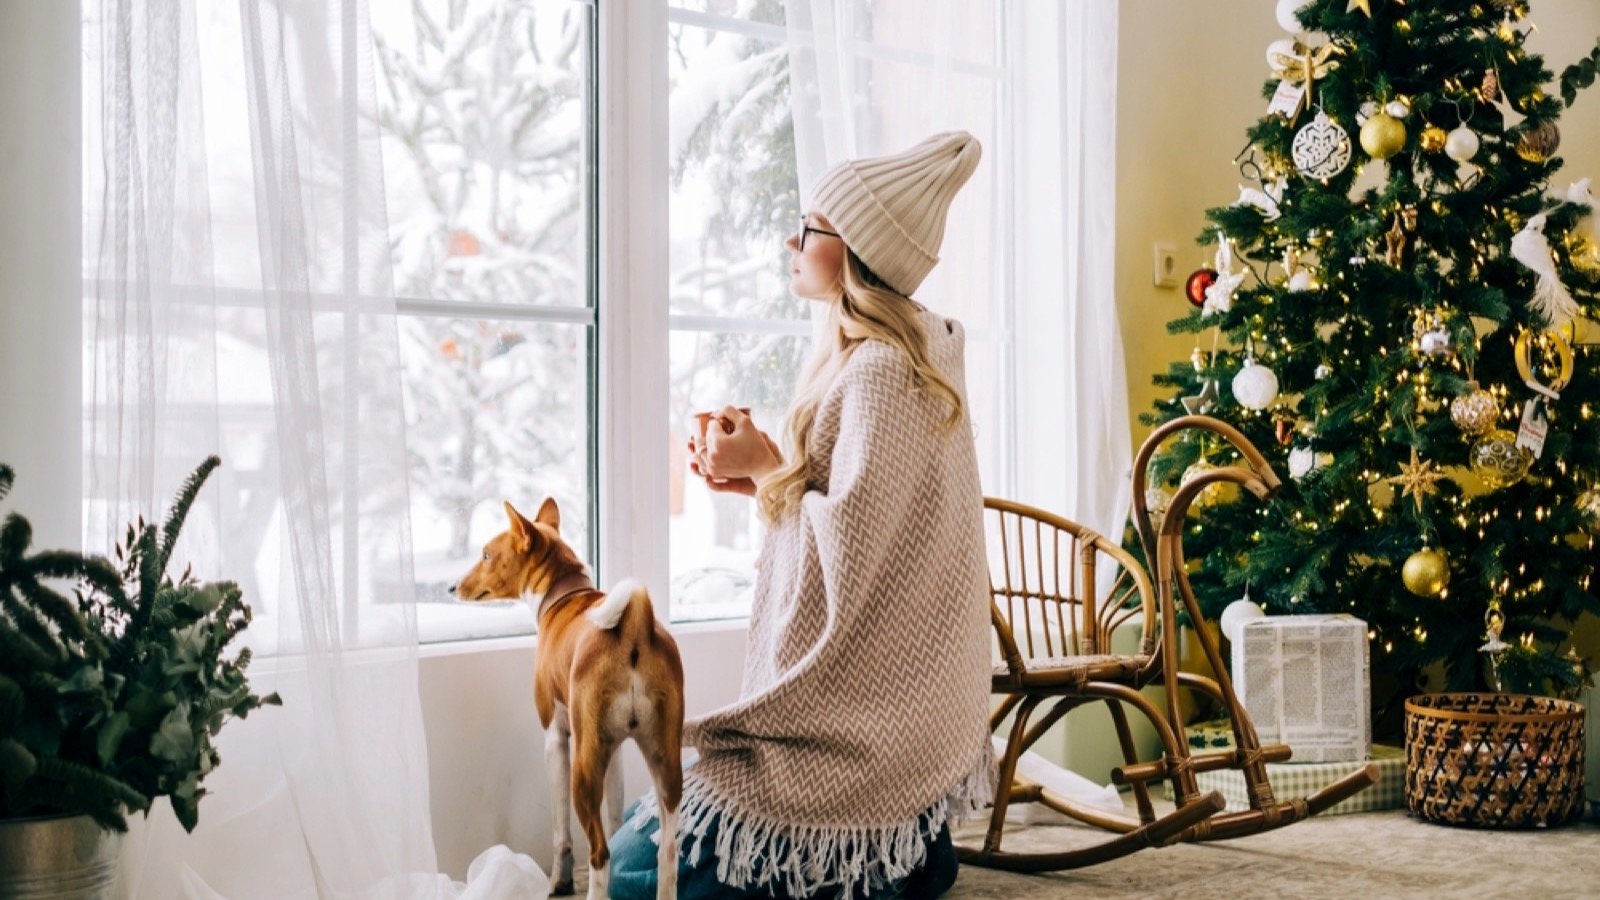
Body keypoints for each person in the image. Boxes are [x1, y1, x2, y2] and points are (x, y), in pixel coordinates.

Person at [608, 131, 995, 899]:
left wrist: (765, 467)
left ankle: (874, 862)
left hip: (864, 726)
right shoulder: (893, 354)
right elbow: (860, 522)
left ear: (859, 254)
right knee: (634, 831)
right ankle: (902, 857)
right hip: (894, 722)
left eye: (811, 227)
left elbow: (852, 552)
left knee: (631, 873)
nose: (792, 241)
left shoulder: (881, 369)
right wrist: (761, 481)